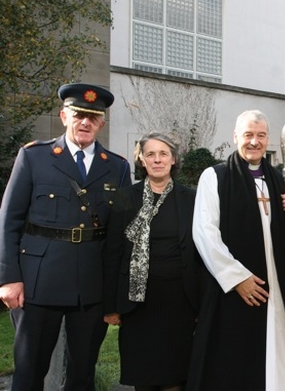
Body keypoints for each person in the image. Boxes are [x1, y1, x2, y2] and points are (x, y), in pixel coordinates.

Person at [0, 83, 131, 390]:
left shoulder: (117, 168)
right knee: (30, 369)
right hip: (38, 281)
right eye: (78, 115)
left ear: (101, 123)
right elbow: (9, 219)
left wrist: (116, 292)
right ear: (63, 116)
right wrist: (8, 278)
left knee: (83, 371)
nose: (85, 122)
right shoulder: (34, 157)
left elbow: (121, 231)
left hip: (91, 284)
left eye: (93, 117)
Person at [187, 110, 285, 391]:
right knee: (236, 357)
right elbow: (204, 233)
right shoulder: (215, 177)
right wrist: (237, 278)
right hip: (235, 288)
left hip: (277, 286)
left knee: (281, 346)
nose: (254, 142)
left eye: (260, 135)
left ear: (267, 139)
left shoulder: (278, 179)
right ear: (235, 137)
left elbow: (282, 231)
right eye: (248, 135)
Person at [103, 132, 201, 391]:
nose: (157, 160)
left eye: (163, 154)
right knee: (143, 379)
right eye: (150, 154)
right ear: (142, 161)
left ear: (173, 160)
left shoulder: (191, 198)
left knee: (176, 379)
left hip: (180, 302)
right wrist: (111, 306)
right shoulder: (124, 198)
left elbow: (202, 253)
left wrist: (203, 304)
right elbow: (112, 253)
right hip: (138, 305)